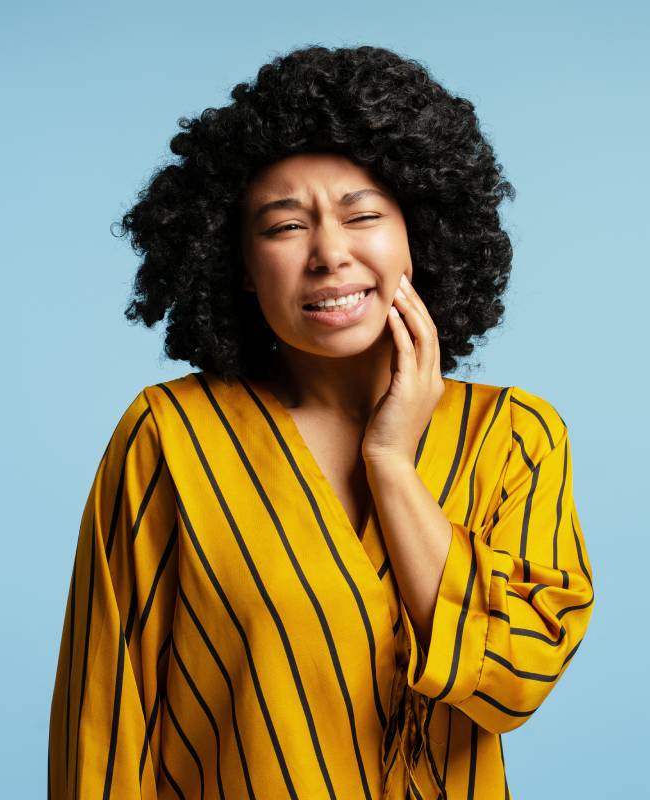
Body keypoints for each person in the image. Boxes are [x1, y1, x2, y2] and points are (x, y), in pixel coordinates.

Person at [48, 44, 595, 799]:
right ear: (239, 262)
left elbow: (515, 678)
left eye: (362, 215)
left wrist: (392, 465)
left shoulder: (516, 437)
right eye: (283, 227)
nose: (329, 254)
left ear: (418, 234)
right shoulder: (169, 437)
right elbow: (103, 722)